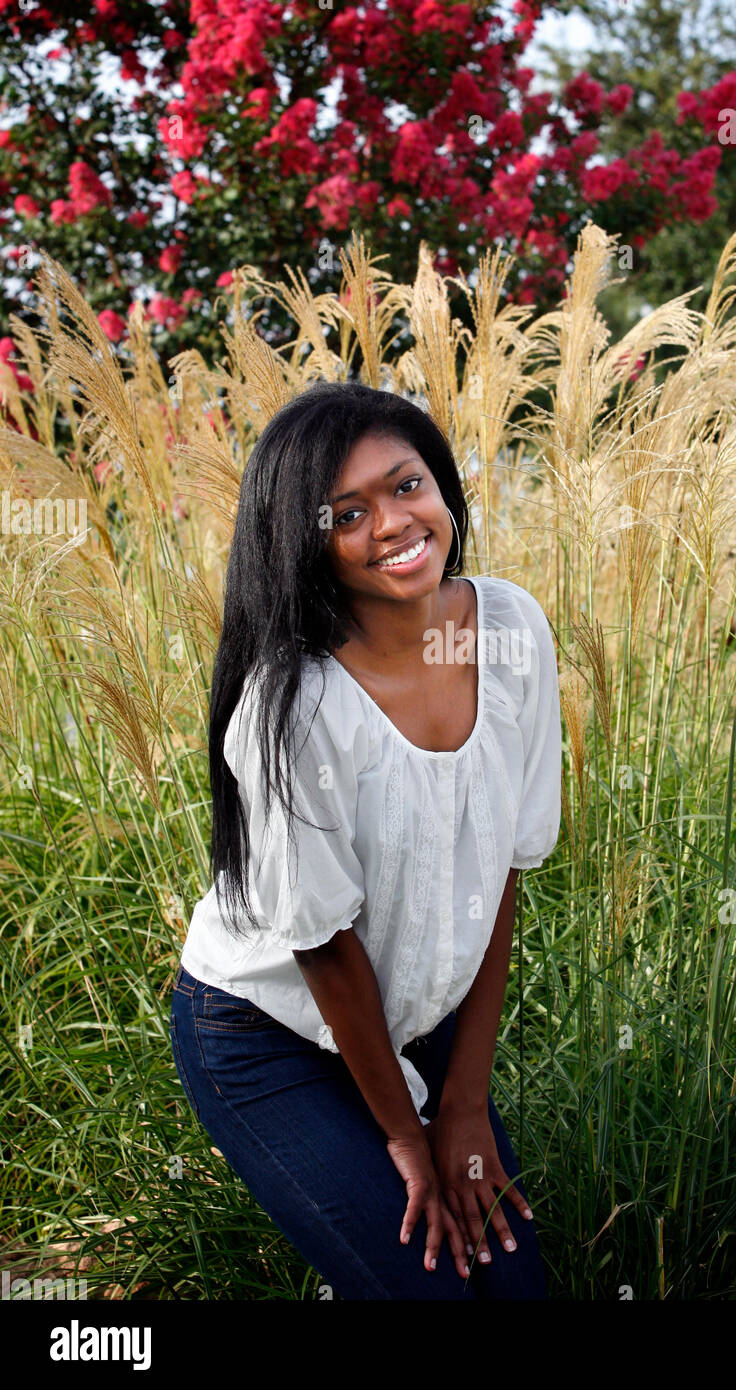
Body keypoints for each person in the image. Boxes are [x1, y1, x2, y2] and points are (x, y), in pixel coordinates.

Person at [169, 380, 563, 1300]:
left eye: (407, 484)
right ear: (305, 543)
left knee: (513, 1291)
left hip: (416, 1021)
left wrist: (463, 1108)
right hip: (270, 1033)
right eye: (348, 513)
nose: (393, 522)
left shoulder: (507, 630)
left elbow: (504, 869)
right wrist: (405, 1136)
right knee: (423, 1288)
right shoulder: (293, 705)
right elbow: (321, 945)